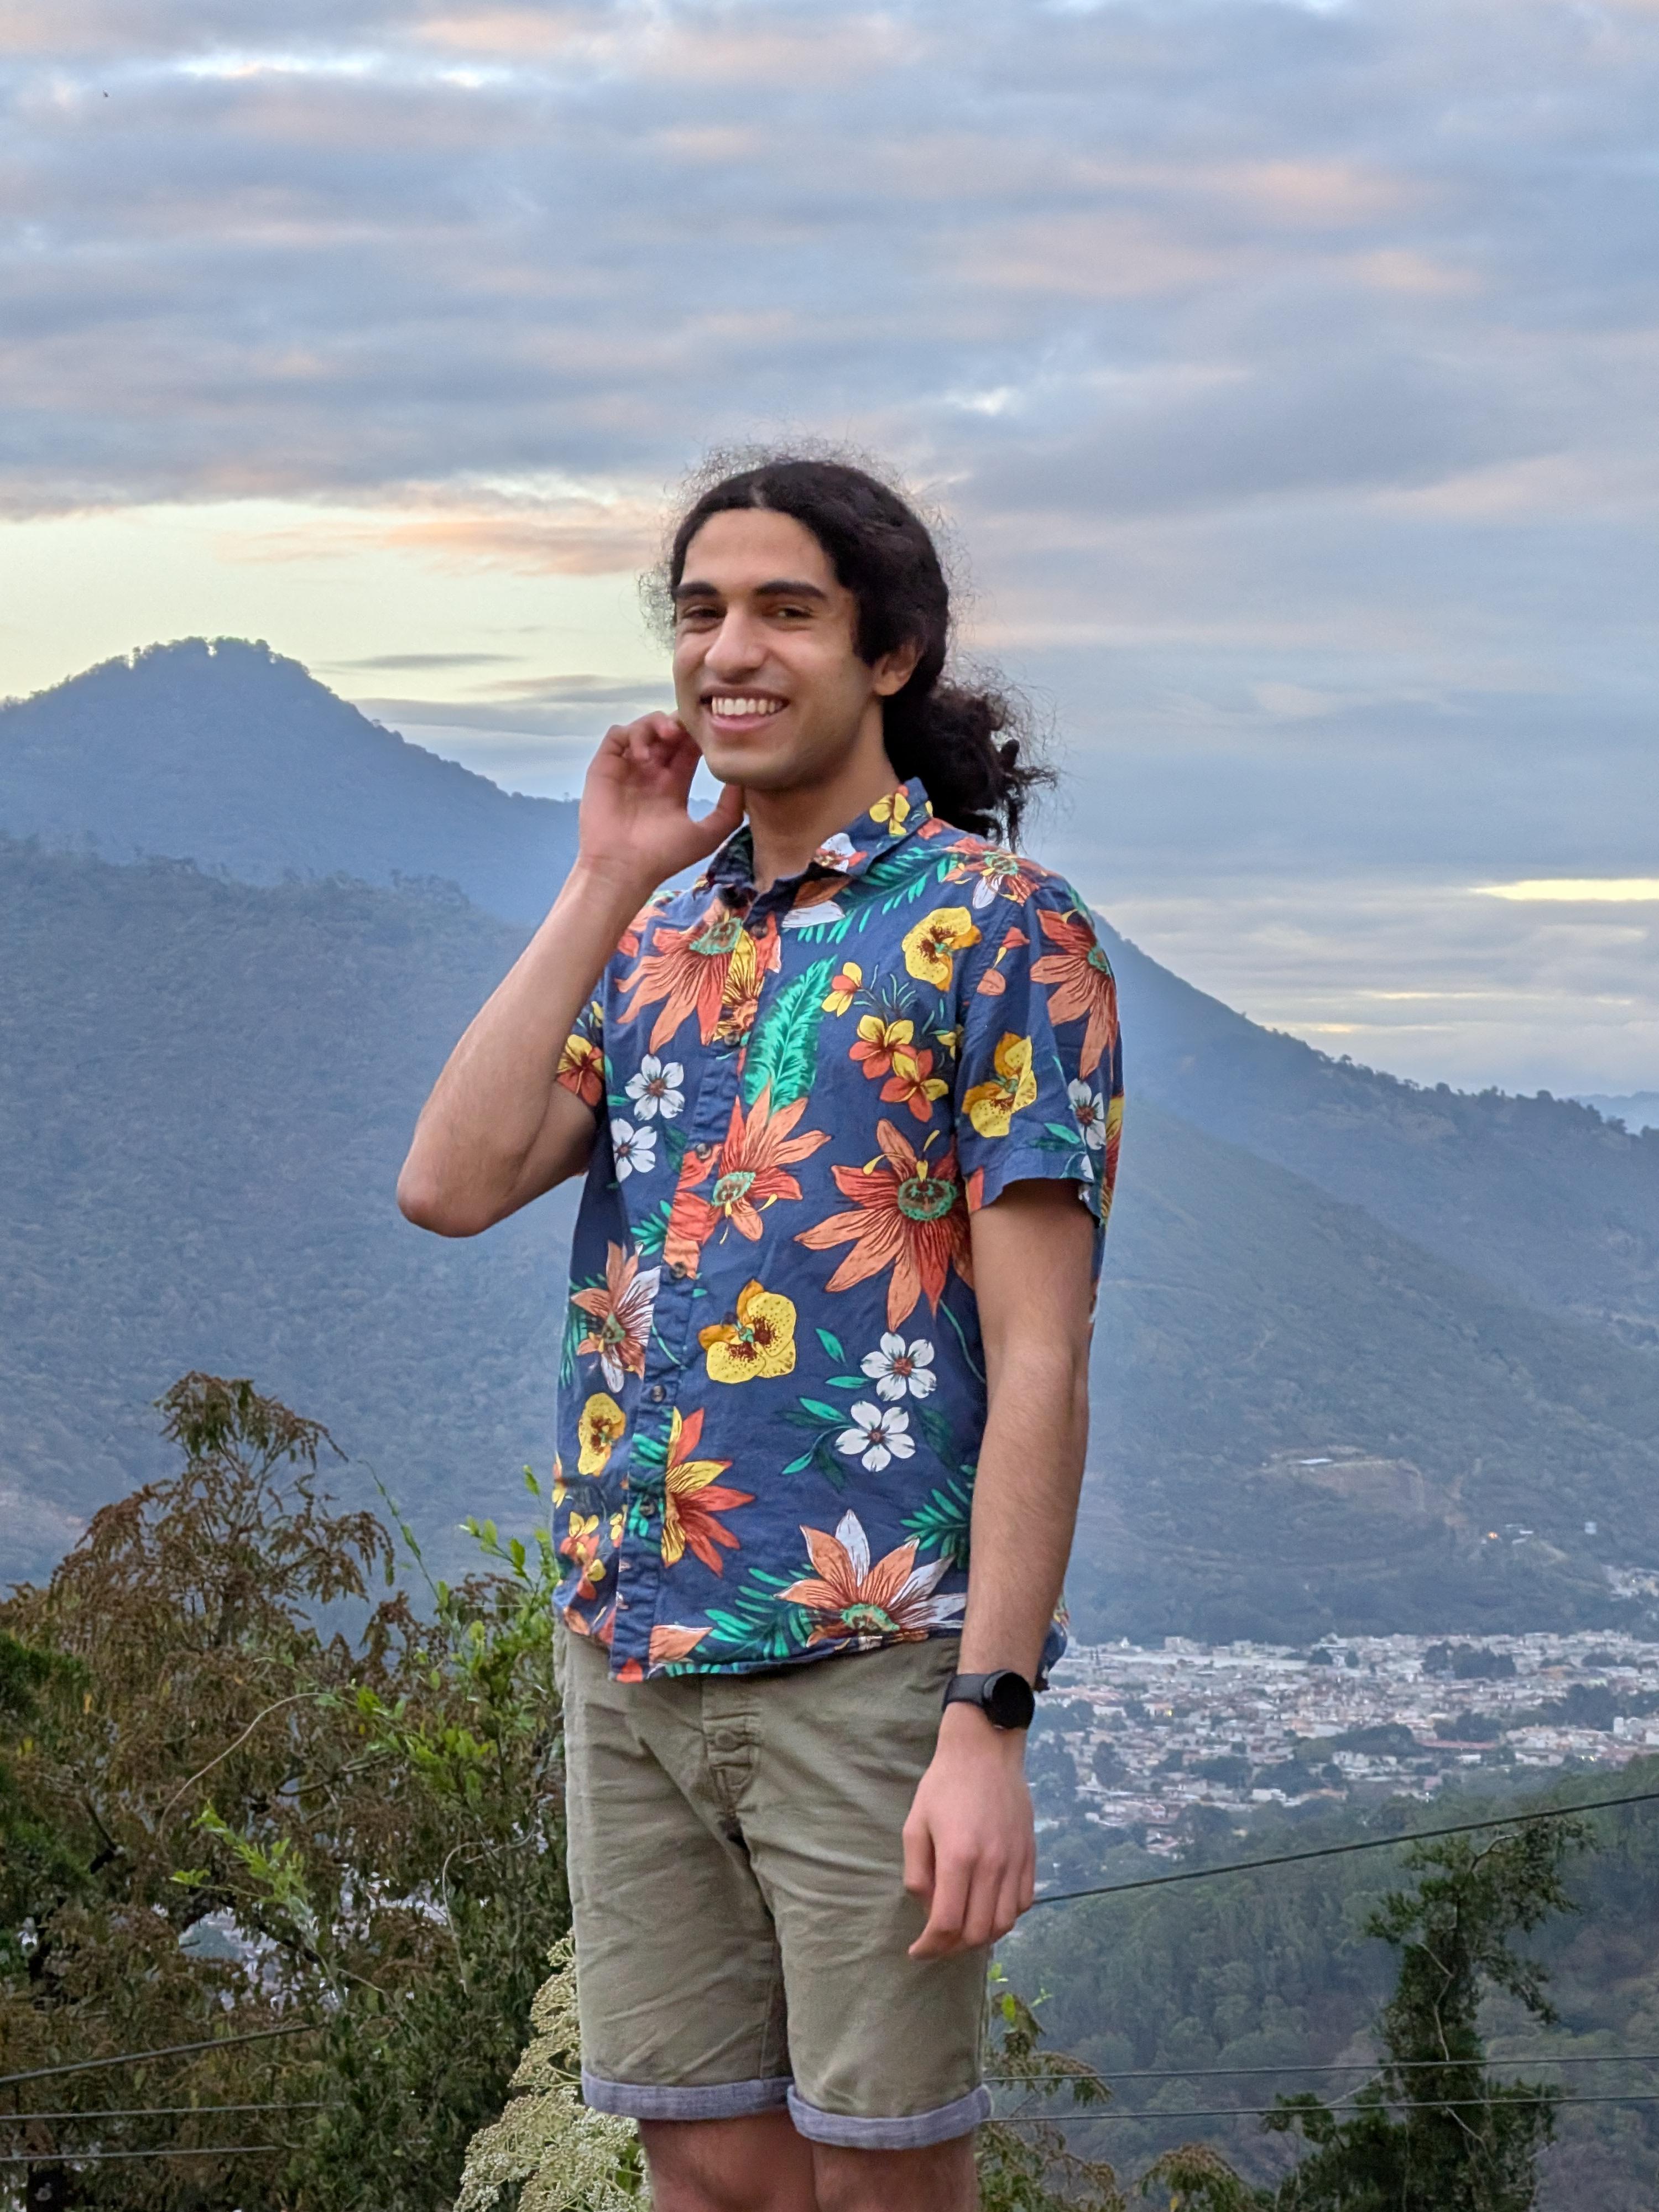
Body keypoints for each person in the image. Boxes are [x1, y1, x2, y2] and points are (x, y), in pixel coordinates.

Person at [399, 456, 1123, 2212]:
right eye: (701, 611)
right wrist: (603, 876)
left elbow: (1041, 1356)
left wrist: (989, 1725)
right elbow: (450, 1178)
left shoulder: (998, 931)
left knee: (880, 2177)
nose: (729, 649)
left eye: (785, 610)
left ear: (892, 654)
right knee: (708, 2164)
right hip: (631, 1650)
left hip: (866, 1660)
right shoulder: (655, 940)